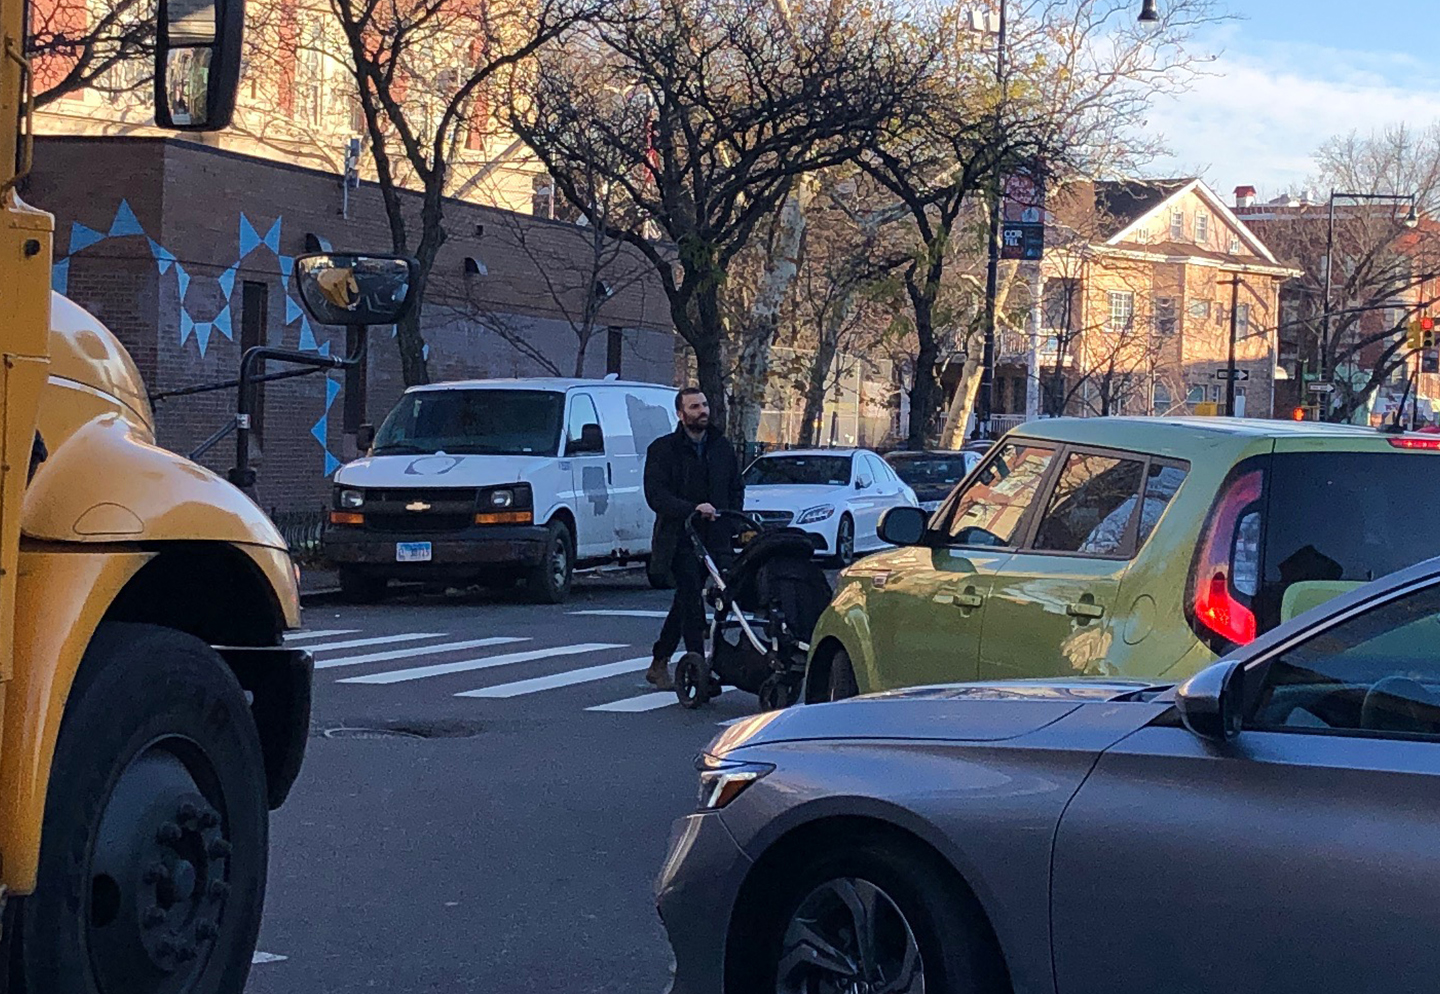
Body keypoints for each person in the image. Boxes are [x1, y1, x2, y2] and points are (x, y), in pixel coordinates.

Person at [642, 387, 743, 690]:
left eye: (704, 404)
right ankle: (697, 667)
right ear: (681, 414)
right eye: (694, 406)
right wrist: (692, 509)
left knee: (690, 602)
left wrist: (730, 516)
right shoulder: (663, 450)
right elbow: (656, 495)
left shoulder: (721, 447)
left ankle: (660, 660)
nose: (702, 411)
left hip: (716, 537)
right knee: (689, 598)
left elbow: (735, 487)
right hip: (679, 537)